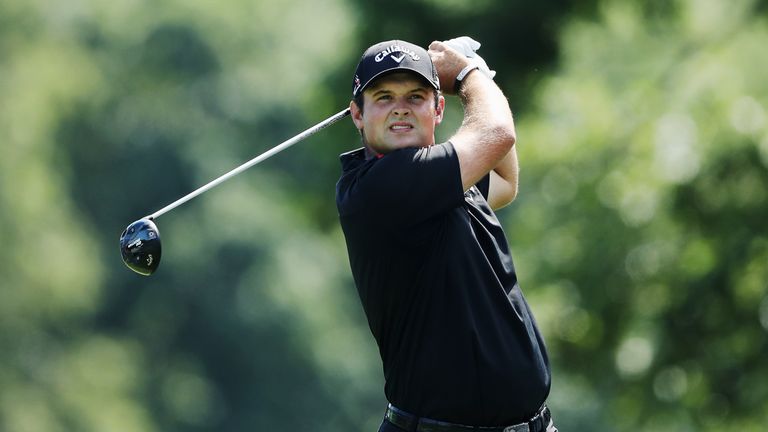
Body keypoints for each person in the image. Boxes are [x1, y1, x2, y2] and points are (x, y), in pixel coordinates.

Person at [336, 38, 556, 432]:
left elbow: (505, 180)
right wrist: (469, 75)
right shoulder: (383, 187)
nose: (400, 106)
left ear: (438, 109)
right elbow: (497, 133)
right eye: (383, 96)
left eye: (416, 95)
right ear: (357, 114)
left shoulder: (440, 178)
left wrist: (475, 71)